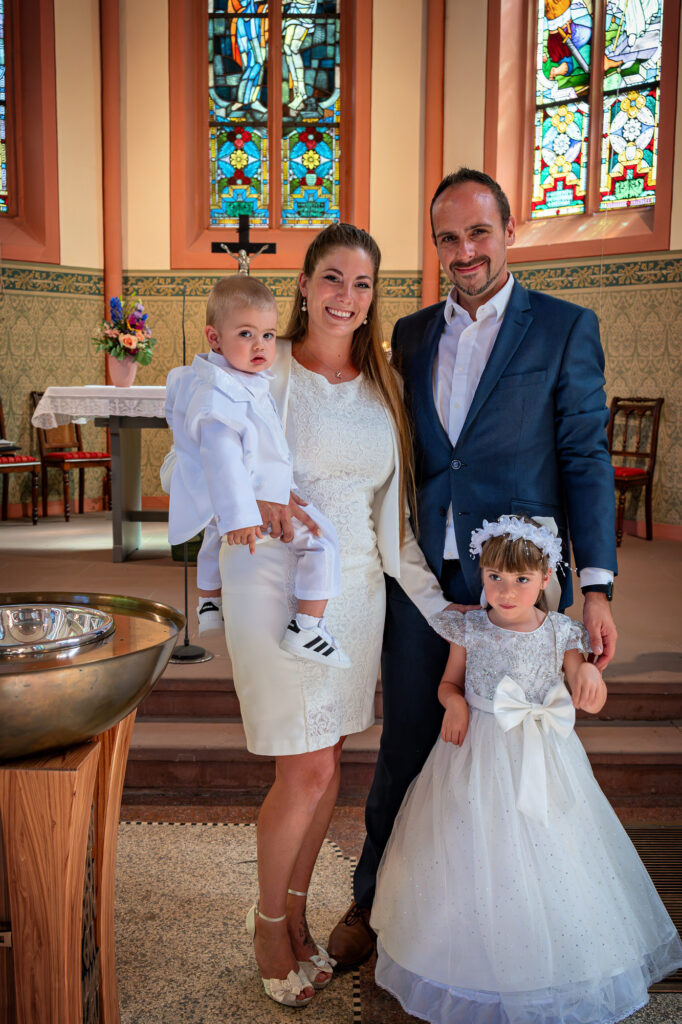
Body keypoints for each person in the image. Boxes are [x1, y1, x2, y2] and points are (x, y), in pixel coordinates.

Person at [329, 167, 619, 967]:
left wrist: (594, 587)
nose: (464, 251)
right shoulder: (414, 335)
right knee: (411, 741)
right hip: (426, 579)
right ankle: (374, 903)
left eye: (478, 232)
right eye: (448, 238)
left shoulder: (563, 328)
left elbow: (585, 457)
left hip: (519, 588)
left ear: (510, 230)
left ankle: (513, 927)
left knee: (512, 759)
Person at [219, 223, 452, 1007]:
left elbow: (394, 514)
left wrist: (441, 608)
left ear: (373, 295)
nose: (344, 297)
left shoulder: (383, 384)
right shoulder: (261, 365)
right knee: (307, 768)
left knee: (330, 772)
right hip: (274, 584)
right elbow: (193, 453)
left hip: (356, 596)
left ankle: (294, 918)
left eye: (360, 284)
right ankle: (265, 923)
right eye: (331, 279)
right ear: (304, 284)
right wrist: (257, 499)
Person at [371, 515, 682, 1024]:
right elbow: (450, 683)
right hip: (474, 757)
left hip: (543, 756)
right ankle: (469, 961)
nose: (505, 590)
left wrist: (585, 674)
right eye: (494, 576)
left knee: (554, 852)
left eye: (520, 579)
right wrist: (453, 703)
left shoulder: (562, 630)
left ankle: (551, 962)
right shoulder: (469, 626)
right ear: (481, 576)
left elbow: (579, 671)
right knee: (468, 849)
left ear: (545, 580)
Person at [165, 275, 350, 668]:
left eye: (267, 335)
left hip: (248, 493)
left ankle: (209, 604)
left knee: (213, 537)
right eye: (246, 333)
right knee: (321, 540)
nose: (260, 346)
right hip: (249, 499)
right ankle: (308, 627)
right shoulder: (219, 394)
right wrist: (240, 515)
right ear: (214, 338)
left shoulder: (235, 379)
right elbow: (221, 457)